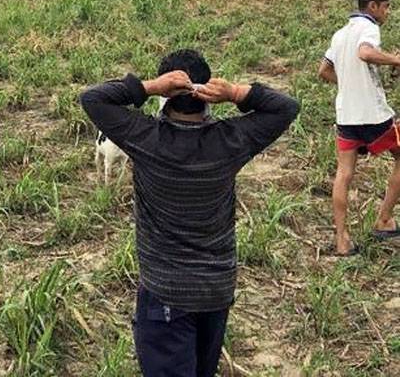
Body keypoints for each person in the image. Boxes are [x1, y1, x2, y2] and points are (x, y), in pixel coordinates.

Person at [80, 50, 298, 377]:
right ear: (207, 93)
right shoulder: (230, 140)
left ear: (168, 96)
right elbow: (286, 107)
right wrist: (236, 93)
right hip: (216, 290)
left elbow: (93, 98)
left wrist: (151, 86)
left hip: (165, 293)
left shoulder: (145, 138)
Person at [318, 0, 400, 256]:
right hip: (373, 116)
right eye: (386, 6)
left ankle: (342, 239)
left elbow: (324, 70)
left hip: (347, 115)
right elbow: (365, 53)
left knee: (344, 174)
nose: (388, 12)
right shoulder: (369, 28)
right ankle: (384, 219)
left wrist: (349, 84)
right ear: (373, 6)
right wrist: (396, 61)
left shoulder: (340, 34)